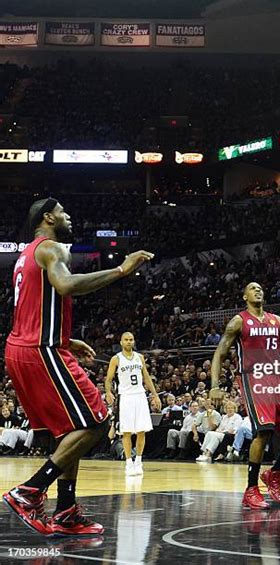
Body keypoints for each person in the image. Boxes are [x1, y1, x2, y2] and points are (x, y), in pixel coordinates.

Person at [3, 197, 154, 536]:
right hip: (40, 349)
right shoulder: (52, 248)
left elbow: (31, 307)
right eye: (63, 212)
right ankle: (30, 491)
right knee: (97, 423)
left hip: (23, 347)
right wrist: (121, 270)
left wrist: (66, 340)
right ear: (48, 217)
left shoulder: (25, 255)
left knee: (67, 431)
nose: (69, 216)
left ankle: (66, 509)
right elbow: (67, 285)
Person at [211, 282, 280, 509]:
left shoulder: (277, 321)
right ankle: (250, 489)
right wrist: (214, 385)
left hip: (278, 377)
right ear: (245, 295)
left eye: (260, 288)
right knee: (264, 431)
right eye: (253, 288)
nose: (258, 290)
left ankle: (274, 473)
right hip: (253, 377)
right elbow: (219, 353)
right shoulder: (239, 321)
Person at [105, 332, 161, 477]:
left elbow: (147, 377)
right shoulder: (116, 359)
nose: (129, 342)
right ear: (121, 342)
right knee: (127, 432)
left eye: (131, 340)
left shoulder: (140, 357)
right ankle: (129, 462)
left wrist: (155, 395)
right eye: (126, 340)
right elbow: (109, 379)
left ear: (134, 342)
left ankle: (139, 461)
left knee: (142, 430)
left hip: (140, 395)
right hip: (125, 397)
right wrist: (109, 392)